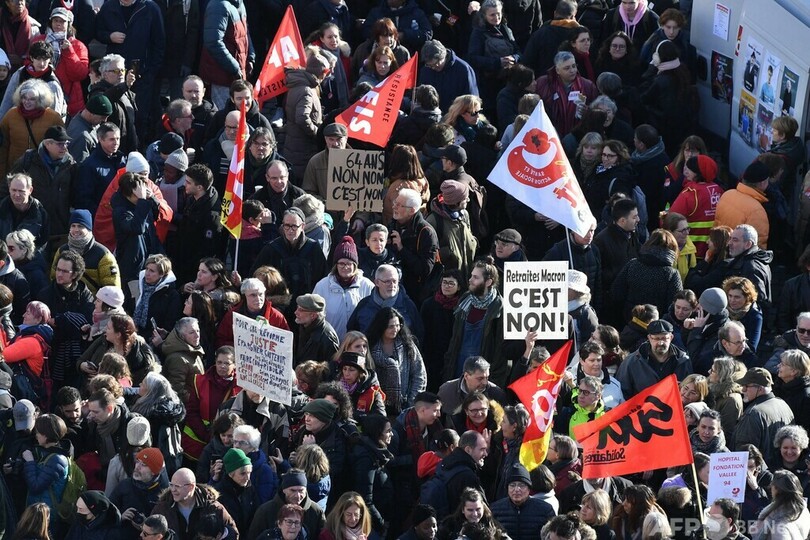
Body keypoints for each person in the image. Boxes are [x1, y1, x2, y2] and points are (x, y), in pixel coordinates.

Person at [249, 207, 328, 301]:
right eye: (287, 226)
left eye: (294, 226)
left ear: (302, 226)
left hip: (305, 303)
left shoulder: (313, 248)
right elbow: (255, 275)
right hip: (279, 303)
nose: (290, 230)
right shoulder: (272, 248)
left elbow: (323, 278)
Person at [612, 228, 683, 323]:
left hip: (630, 320)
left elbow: (616, 293)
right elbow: (675, 305)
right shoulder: (671, 274)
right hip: (657, 324)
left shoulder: (632, 264)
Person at [151, 468, 238, 540]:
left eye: (177, 486)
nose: (173, 489)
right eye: (171, 485)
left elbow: (232, 534)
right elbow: (148, 534)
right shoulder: (162, 509)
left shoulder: (214, 508)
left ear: (191, 487)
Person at [283, 53, 331, 181]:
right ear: (321, 73)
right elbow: (302, 117)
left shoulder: (298, 85)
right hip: (303, 148)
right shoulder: (307, 90)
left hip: (295, 145)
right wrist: (317, 132)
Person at [616, 319, 692, 399]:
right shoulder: (632, 361)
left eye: (664, 338)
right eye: (656, 338)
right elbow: (622, 392)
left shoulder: (684, 361)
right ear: (649, 338)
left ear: (671, 337)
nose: (660, 343)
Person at [734, 368, 795, 463]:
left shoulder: (753, 413)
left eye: (746, 386)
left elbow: (744, 453)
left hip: (759, 472)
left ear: (760, 389)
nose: (743, 390)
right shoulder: (783, 404)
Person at [248, 469, 327, 540]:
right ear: (284, 490)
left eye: (301, 490)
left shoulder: (316, 511)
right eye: (293, 490)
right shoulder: (265, 511)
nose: (297, 495)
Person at [669, 155, 722, 258]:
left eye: (690, 169)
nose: (686, 171)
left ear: (698, 173)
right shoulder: (719, 190)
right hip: (712, 250)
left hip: (690, 250)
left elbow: (671, 220)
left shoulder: (690, 194)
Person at [536, 51, 598, 137]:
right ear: (557, 70)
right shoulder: (543, 83)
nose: (572, 70)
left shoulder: (588, 86)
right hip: (550, 134)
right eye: (567, 68)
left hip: (578, 136)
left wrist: (587, 111)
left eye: (574, 66)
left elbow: (596, 113)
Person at [215, 277, 289, 348]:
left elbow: (286, 343)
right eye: (253, 295)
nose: (258, 299)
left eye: (260, 294)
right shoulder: (233, 315)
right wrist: (240, 347)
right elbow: (222, 339)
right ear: (245, 296)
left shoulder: (276, 316)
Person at [491, 463, 555, 540]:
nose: (517, 489)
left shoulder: (545, 510)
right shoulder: (495, 509)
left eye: (521, 485)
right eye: (512, 485)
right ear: (507, 488)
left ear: (529, 489)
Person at [715, 161, 771, 249]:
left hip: (719, 250)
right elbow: (757, 245)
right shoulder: (757, 211)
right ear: (762, 183)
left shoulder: (728, 194)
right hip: (736, 258)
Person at [418, 40, 478, 114]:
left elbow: (472, 100)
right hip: (433, 117)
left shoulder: (463, 70)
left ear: (444, 56)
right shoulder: (426, 70)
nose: (433, 67)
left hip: (456, 119)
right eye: (430, 65)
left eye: (437, 63)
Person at [752, 470, 810, 539]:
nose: (771, 488)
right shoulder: (802, 510)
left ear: (777, 489)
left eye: (772, 485)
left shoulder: (779, 526)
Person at [0, 173, 50, 250]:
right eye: (14, 190)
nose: (17, 194)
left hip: (29, 259)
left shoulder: (40, 214)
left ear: (30, 190)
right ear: (9, 189)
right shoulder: (1, 209)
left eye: (21, 191)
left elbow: (42, 245)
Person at [436, 487, 502, 540]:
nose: (475, 514)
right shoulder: (449, 526)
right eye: (470, 510)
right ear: (463, 510)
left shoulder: (492, 525)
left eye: (478, 509)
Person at [294, 293, 340, 366]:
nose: (296, 312)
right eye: (297, 307)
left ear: (313, 315)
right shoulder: (300, 326)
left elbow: (331, 368)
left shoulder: (327, 337)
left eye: (301, 310)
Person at [773, 350, 810, 433]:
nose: (778, 366)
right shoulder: (778, 386)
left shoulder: (806, 397)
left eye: (782, 364)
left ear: (794, 371)